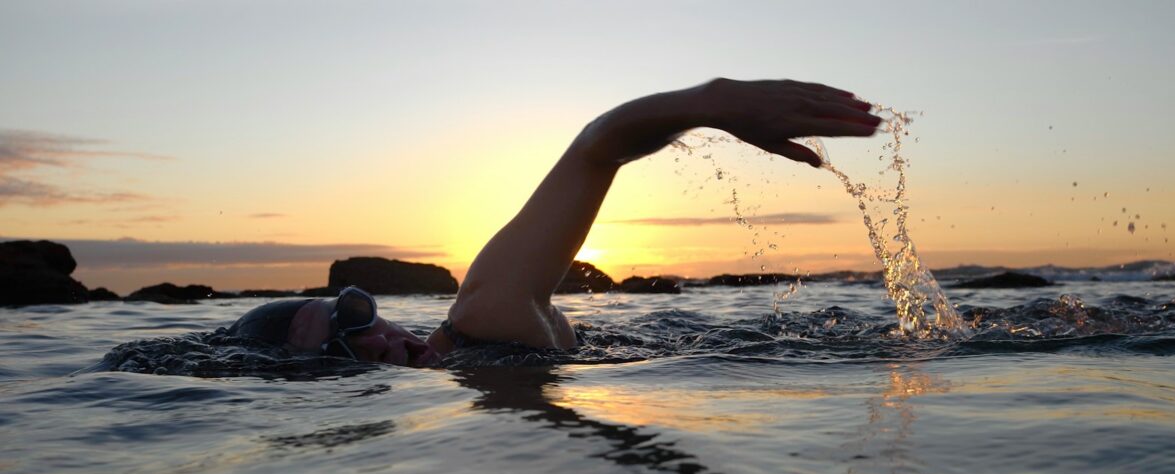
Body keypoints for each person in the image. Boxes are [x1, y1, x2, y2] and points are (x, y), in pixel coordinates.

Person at [228, 78, 881, 367]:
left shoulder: (486, 314)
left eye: (358, 309)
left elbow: (597, 146)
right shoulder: (478, 362)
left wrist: (713, 102)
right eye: (343, 348)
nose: (375, 340)